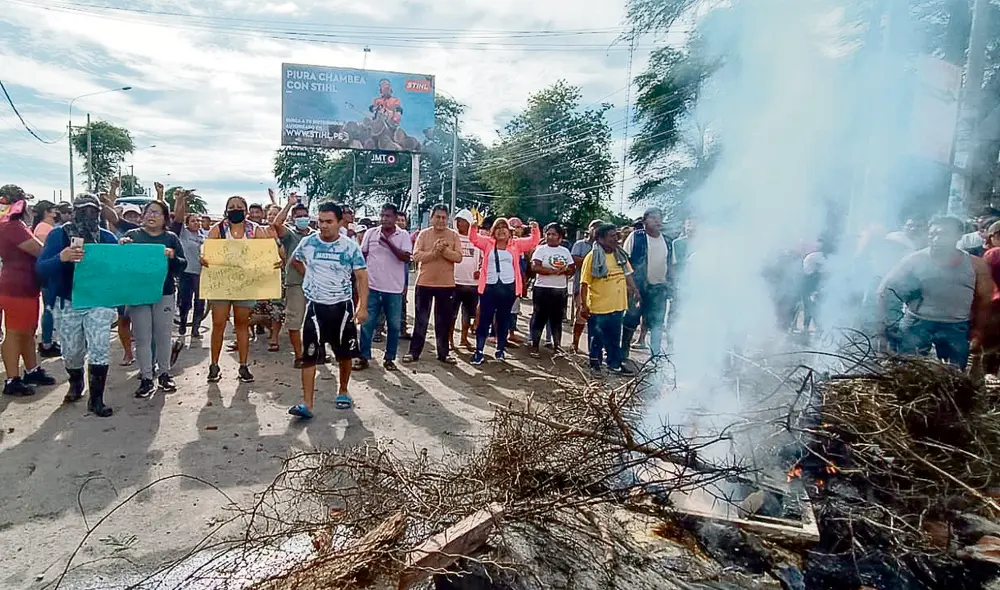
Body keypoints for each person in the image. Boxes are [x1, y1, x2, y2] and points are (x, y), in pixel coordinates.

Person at [36, 194, 120, 416]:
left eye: (93, 210)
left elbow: (119, 271)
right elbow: (41, 269)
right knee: (72, 351)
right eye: (82, 210)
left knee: (100, 347)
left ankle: (96, 399)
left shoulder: (107, 237)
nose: (87, 215)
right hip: (67, 301)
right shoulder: (58, 235)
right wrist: (61, 258)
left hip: (98, 301)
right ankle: (76, 382)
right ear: (73, 212)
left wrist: (122, 252)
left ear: (99, 212)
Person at [878, 216, 992, 369]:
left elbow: (984, 300)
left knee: (954, 374)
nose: (936, 239)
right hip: (916, 325)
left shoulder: (976, 265)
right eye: (933, 234)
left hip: (955, 327)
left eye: (944, 234)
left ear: (958, 236)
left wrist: (978, 332)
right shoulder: (914, 260)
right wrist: (889, 324)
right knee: (908, 371)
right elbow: (885, 290)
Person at [288, 202, 369, 419]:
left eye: (329, 222)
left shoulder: (350, 247)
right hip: (315, 308)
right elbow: (295, 260)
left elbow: (361, 276)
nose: (323, 226)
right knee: (310, 355)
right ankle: (307, 403)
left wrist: (362, 306)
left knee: (344, 354)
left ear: (340, 222)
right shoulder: (308, 242)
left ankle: (343, 391)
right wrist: (309, 278)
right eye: (320, 221)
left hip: (342, 308)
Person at [202, 196, 278, 383]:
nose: (235, 209)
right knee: (218, 324)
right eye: (231, 207)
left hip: (245, 285)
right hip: (221, 285)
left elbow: (268, 253)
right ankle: (214, 365)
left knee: (242, 325)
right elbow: (205, 251)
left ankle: (243, 366)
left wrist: (275, 261)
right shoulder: (218, 229)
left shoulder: (255, 230)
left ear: (245, 210)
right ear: (226, 210)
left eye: (239, 207)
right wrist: (203, 257)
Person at [122, 201, 187, 397]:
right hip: (138, 293)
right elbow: (122, 264)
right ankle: (146, 377)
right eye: (149, 212)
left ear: (165, 218)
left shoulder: (171, 238)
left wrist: (172, 256)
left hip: (164, 292)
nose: (152, 216)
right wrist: (122, 248)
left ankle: (165, 374)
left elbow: (182, 265)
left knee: (163, 335)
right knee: (142, 337)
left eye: (157, 213)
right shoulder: (133, 236)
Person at [0, 187, 56, 396]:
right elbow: (39, 250)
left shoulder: (12, 224)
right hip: (17, 286)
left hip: (24, 284)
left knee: (27, 331)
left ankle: (31, 370)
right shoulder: (11, 226)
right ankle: (12, 379)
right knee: (15, 333)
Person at [468, 218, 541, 365]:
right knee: (484, 320)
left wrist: (535, 229)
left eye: (504, 228)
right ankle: (479, 351)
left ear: (510, 232)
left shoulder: (516, 245)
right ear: (493, 232)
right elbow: (473, 238)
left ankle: (500, 350)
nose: (501, 230)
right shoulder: (488, 244)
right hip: (489, 287)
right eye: (498, 228)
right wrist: (473, 227)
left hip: (508, 288)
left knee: (503, 320)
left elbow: (533, 241)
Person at [404, 204, 463, 364]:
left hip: (446, 285)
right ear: (431, 218)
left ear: (448, 219)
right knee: (421, 320)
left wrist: (445, 252)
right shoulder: (423, 235)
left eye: (444, 217)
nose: (441, 220)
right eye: (437, 217)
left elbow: (458, 257)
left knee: (443, 321)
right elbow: (416, 256)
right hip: (424, 283)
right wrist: (434, 252)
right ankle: (414, 352)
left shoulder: (453, 235)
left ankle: (443, 353)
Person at [357, 203, 411, 371]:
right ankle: (364, 356)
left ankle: (389, 358)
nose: (384, 219)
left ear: (395, 218)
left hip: (394, 289)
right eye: (382, 215)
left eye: (388, 216)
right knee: (367, 323)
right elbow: (363, 255)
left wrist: (388, 243)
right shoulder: (371, 233)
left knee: (394, 326)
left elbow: (405, 258)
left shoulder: (403, 235)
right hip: (372, 287)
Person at [579, 224, 639, 376]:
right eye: (612, 236)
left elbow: (628, 274)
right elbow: (584, 283)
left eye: (616, 235)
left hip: (618, 305)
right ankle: (595, 365)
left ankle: (615, 364)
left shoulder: (620, 254)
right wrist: (583, 305)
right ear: (600, 239)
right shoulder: (592, 257)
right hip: (599, 306)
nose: (616, 239)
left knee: (614, 338)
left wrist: (635, 289)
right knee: (597, 338)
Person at [622, 207, 672, 357]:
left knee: (657, 323)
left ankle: (655, 357)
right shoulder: (636, 237)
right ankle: (623, 354)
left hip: (659, 289)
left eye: (659, 218)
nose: (657, 221)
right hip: (637, 288)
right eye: (653, 218)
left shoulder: (667, 241)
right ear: (644, 221)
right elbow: (625, 262)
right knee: (631, 320)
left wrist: (671, 286)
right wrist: (629, 286)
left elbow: (671, 265)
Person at [276, 199, 313, 366]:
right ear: (292, 218)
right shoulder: (290, 235)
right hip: (296, 284)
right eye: (299, 216)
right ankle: (299, 356)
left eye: (305, 216)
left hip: (316, 284)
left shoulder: (315, 235)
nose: (303, 219)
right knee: (295, 321)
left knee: (315, 322)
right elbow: (276, 223)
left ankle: (314, 352)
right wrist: (289, 204)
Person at [529, 223, 575, 358]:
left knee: (557, 319)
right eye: (548, 234)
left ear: (560, 237)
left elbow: (572, 268)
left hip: (560, 290)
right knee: (539, 318)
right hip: (542, 289)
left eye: (553, 234)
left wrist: (565, 271)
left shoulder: (565, 251)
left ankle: (557, 347)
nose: (550, 236)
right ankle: (535, 346)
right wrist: (550, 271)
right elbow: (534, 267)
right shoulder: (541, 250)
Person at [170, 188, 207, 339]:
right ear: (187, 223)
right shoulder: (182, 233)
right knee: (185, 301)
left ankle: (196, 328)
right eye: (193, 220)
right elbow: (178, 217)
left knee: (200, 301)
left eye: (198, 220)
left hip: (201, 274)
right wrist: (182, 200)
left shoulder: (204, 236)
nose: (196, 223)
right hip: (186, 272)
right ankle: (183, 322)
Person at [32, 199, 62, 358]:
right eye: (53, 209)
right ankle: (47, 342)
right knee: (50, 308)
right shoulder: (44, 228)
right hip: (50, 276)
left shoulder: (46, 227)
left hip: (51, 275)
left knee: (51, 308)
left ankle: (48, 340)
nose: (56, 212)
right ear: (46, 211)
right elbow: (46, 253)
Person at [451, 209, 482, 351]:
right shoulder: (452, 237)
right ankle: (449, 340)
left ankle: (464, 339)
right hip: (454, 282)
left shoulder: (477, 239)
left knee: (468, 315)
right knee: (451, 314)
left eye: (463, 221)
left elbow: (484, 260)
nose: (460, 224)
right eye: (458, 221)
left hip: (472, 284)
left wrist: (480, 271)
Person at [571, 220, 603, 353]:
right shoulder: (580, 244)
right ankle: (575, 343)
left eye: (599, 227)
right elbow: (574, 260)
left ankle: (595, 349)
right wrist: (594, 261)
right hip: (581, 286)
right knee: (581, 315)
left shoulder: (605, 246)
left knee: (598, 320)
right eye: (594, 227)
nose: (596, 230)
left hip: (600, 289)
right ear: (588, 229)